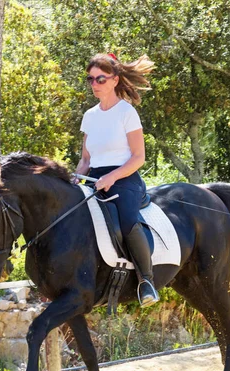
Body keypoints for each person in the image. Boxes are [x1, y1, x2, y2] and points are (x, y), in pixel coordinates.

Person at [74, 52, 158, 307]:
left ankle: (147, 282)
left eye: (100, 79)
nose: (94, 84)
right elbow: (86, 160)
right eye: (90, 79)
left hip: (125, 178)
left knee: (128, 221)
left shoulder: (126, 112)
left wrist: (112, 176)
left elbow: (138, 157)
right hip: (94, 179)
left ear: (115, 80)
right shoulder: (89, 116)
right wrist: (75, 180)